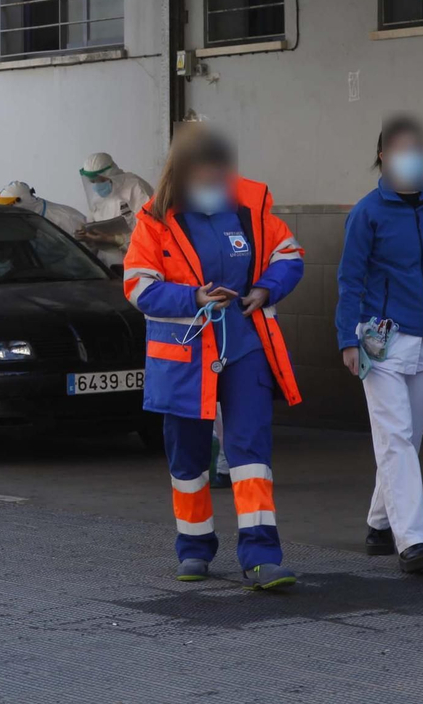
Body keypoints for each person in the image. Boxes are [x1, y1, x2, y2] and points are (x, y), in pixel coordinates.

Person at [122, 125, 305, 589]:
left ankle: (261, 555)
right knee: (188, 456)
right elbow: (139, 287)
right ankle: (194, 547)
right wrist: (194, 297)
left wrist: (267, 287)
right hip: (184, 357)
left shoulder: (250, 205)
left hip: (244, 347)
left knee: (250, 453)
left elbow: (288, 254)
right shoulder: (154, 219)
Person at [336, 114, 423, 575]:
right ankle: (412, 541)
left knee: (409, 437)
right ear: (382, 156)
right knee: (395, 437)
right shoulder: (367, 213)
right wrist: (346, 340)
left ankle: (379, 522)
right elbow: (349, 280)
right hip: (381, 342)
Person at [78, 152, 154, 265]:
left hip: (138, 262)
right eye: (92, 181)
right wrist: (86, 236)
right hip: (109, 264)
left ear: (112, 174)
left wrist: (116, 239)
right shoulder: (97, 198)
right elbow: (92, 225)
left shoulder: (135, 187)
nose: (97, 185)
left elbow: (150, 231)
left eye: (102, 180)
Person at [0, 180, 88, 237]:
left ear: (20, 202)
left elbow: (84, 255)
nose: (6, 211)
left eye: (8, 206)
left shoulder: (66, 217)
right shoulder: (25, 220)